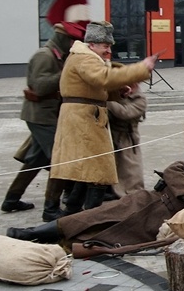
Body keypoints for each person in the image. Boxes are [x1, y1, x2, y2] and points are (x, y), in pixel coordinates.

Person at [6, 160, 184, 246]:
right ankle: (31, 233)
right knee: (94, 216)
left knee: (103, 234)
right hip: (148, 199)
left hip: (158, 221)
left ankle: (54, 242)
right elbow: (173, 169)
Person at [51, 20, 156, 214]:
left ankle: (73, 214)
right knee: (99, 171)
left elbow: (94, 87)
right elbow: (103, 78)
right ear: (92, 44)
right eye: (105, 46)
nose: (107, 51)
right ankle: (89, 216)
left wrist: (117, 93)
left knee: (91, 171)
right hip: (84, 119)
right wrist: (142, 68)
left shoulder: (83, 56)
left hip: (86, 117)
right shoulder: (85, 58)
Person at [0, 22, 84, 221]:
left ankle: (11, 199)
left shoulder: (57, 56)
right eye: (72, 40)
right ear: (63, 38)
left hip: (47, 114)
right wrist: (67, 72)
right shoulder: (44, 56)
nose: (73, 44)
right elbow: (39, 86)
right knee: (61, 159)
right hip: (40, 115)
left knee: (35, 160)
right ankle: (51, 208)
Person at [107, 82, 148, 198]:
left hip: (127, 138)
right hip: (111, 135)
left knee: (130, 167)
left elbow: (126, 112)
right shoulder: (117, 94)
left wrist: (107, 103)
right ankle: (110, 189)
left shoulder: (140, 100)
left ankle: (132, 191)